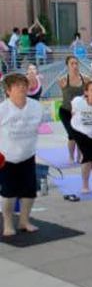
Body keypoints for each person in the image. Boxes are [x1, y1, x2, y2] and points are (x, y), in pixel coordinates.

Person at [0, 73, 44, 236]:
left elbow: (38, 126)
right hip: (6, 158)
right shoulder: (2, 109)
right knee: (8, 193)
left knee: (29, 191)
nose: (22, 88)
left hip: (28, 154)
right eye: (17, 86)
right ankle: (8, 223)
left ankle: (24, 221)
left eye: (24, 85)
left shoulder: (36, 106)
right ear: (8, 91)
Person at [58, 56, 90, 165]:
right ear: (67, 65)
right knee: (72, 135)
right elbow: (64, 95)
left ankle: (79, 155)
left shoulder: (85, 79)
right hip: (66, 111)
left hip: (80, 112)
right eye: (72, 63)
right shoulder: (63, 80)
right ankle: (71, 156)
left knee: (81, 134)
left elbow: (88, 94)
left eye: (76, 63)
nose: (75, 66)